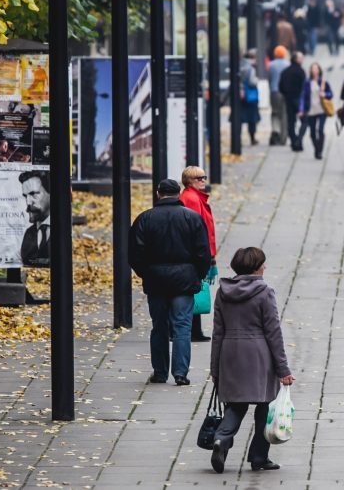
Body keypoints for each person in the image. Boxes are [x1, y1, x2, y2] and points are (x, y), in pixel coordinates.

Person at [210, 247, 295, 474]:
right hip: (258, 354)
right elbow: (273, 332)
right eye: (263, 264)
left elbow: (217, 331)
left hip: (230, 352)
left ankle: (221, 439)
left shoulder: (223, 291)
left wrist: (215, 367)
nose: (265, 268)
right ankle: (259, 457)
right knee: (264, 406)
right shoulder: (264, 291)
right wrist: (283, 369)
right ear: (257, 268)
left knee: (235, 405)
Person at [129, 179, 211, 386]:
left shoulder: (144, 219)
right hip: (184, 279)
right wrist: (198, 275)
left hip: (156, 279)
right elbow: (203, 252)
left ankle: (160, 372)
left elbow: (135, 254)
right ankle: (180, 373)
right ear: (178, 194)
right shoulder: (192, 218)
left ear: (159, 194)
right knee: (182, 326)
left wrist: (146, 273)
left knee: (159, 326)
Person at [180, 166, 217, 342]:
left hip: (198, 251)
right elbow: (197, 229)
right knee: (194, 290)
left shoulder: (196, 197)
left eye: (204, 177)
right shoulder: (192, 199)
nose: (203, 180)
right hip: (196, 253)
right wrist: (205, 255)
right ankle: (192, 331)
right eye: (199, 178)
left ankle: (195, 330)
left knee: (195, 290)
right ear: (189, 181)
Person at [297, 63, 333, 160]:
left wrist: (325, 94)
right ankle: (316, 148)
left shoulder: (323, 82)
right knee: (312, 132)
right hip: (311, 110)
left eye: (316, 69)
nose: (315, 71)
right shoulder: (307, 82)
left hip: (322, 110)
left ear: (319, 70)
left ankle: (320, 150)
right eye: (313, 69)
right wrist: (301, 109)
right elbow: (302, 97)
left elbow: (330, 94)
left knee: (320, 130)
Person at [19, 171, 50, 266]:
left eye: (33, 194)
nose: (28, 202)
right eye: (25, 196)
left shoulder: (65, 229)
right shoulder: (29, 233)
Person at [279, 51, 307, 151]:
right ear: (296, 59)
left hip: (288, 99)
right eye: (301, 58)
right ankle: (298, 140)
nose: (302, 60)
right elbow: (304, 87)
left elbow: (280, 87)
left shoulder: (285, 72)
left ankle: (294, 140)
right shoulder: (300, 71)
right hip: (299, 100)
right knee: (305, 120)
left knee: (291, 122)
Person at [267, 46, 291, 147]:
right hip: (284, 92)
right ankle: (283, 137)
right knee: (284, 115)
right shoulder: (287, 64)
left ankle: (275, 129)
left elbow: (269, 78)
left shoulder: (271, 65)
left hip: (274, 91)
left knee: (275, 112)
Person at [239, 50, 260, 145]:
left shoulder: (240, 65)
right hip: (250, 97)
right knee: (252, 119)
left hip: (240, 96)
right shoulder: (251, 69)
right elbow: (252, 82)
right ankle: (252, 138)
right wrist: (257, 80)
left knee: (239, 119)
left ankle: (237, 139)